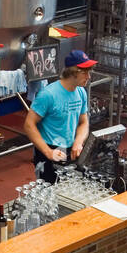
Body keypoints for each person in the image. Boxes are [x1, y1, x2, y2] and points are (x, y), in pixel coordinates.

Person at [23, 50, 94, 184]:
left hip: (70, 149)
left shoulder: (81, 92)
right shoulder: (48, 95)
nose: (88, 76)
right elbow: (29, 125)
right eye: (85, 72)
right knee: (49, 192)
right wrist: (48, 152)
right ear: (73, 72)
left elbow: (84, 122)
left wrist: (78, 142)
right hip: (50, 150)